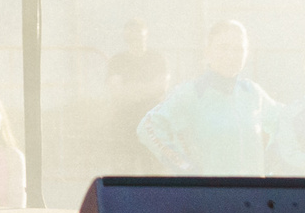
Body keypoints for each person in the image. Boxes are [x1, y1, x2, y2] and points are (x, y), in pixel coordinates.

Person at [136, 19, 279, 176]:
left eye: (238, 49)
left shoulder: (252, 93)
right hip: (210, 190)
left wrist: (270, 161)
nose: (231, 55)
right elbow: (147, 126)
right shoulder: (191, 93)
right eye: (223, 47)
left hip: (253, 190)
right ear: (207, 52)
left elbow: (284, 121)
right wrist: (184, 166)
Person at [105, 19, 170, 171]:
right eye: (131, 34)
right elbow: (116, 91)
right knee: (124, 171)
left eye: (138, 34)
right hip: (125, 123)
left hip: (152, 123)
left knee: (154, 171)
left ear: (146, 34)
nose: (135, 38)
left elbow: (161, 87)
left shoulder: (157, 58)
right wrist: (147, 89)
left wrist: (131, 89)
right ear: (125, 37)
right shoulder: (117, 61)